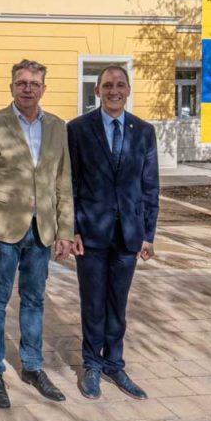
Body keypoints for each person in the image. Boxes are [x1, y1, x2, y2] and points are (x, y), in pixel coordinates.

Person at [0, 59, 73, 408]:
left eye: (34, 83)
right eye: (21, 83)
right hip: (3, 231)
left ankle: (32, 366)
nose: (28, 88)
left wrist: (65, 230)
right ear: (12, 87)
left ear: (44, 88)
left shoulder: (58, 128)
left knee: (34, 300)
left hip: (42, 230)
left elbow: (63, 182)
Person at [67, 65, 159, 401]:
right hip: (90, 233)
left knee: (117, 303)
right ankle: (92, 364)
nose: (114, 91)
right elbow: (70, 185)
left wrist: (148, 234)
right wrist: (72, 228)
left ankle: (114, 363)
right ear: (97, 91)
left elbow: (150, 186)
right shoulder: (77, 129)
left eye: (120, 85)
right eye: (107, 85)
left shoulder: (144, 131)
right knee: (93, 302)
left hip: (129, 235)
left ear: (128, 89)